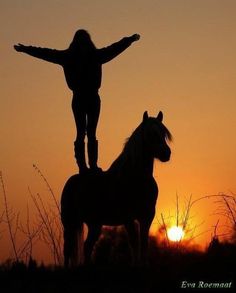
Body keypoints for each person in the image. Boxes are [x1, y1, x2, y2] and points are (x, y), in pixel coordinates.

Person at [14, 29, 140, 174]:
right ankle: (85, 167)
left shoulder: (80, 56)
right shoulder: (86, 56)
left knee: (86, 132)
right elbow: (45, 53)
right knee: (85, 132)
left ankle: (88, 166)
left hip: (87, 98)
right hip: (84, 98)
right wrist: (25, 49)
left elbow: (115, 48)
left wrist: (129, 40)